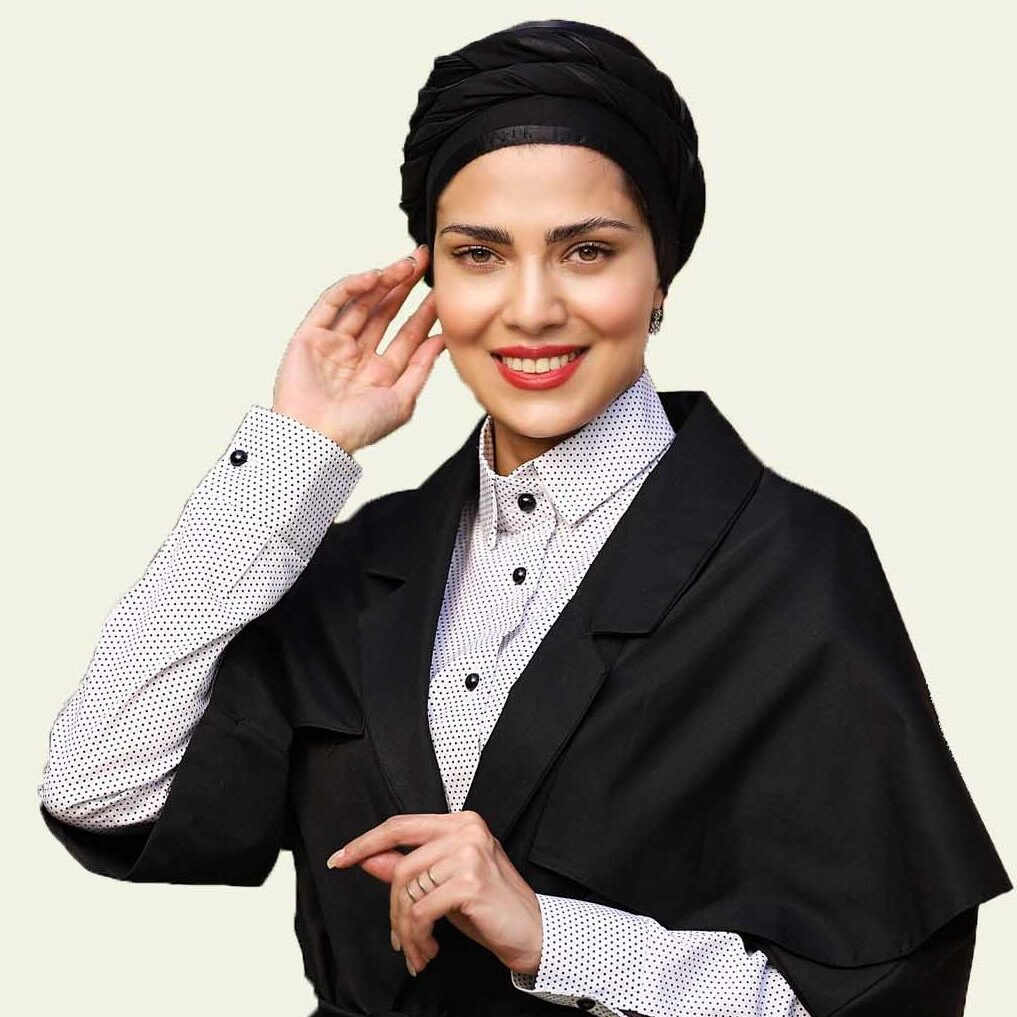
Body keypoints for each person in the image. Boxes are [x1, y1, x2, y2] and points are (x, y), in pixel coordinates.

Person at [38, 18, 1010, 1017]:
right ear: (431, 276)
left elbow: (882, 999)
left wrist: (556, 938)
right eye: (480, 254)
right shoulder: (364, 565)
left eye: (587, 251)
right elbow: (98, 783)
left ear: (661, 272)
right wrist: (295, 456)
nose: (533, 308)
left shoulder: (791, 565)